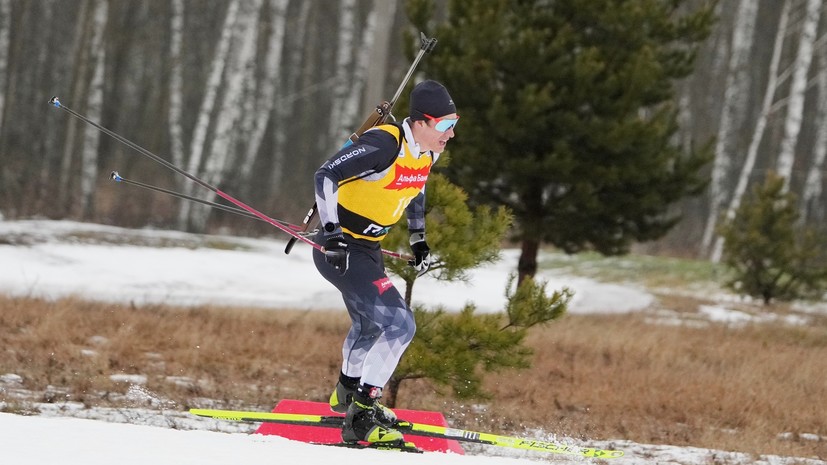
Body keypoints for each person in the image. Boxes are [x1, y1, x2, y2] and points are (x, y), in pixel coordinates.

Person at [312, 79, 458, 445]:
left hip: (370, 250)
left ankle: (347, 394)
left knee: (371, 326)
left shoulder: (427, 152)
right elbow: (325, 175)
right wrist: (331, 233)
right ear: (421, 122)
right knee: (399, 324)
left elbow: (416, 185)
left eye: (454, 122)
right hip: (342, 250)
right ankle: (363, 414)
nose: (451, 133)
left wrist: (418, 237)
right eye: (444, 124)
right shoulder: (385, 143)